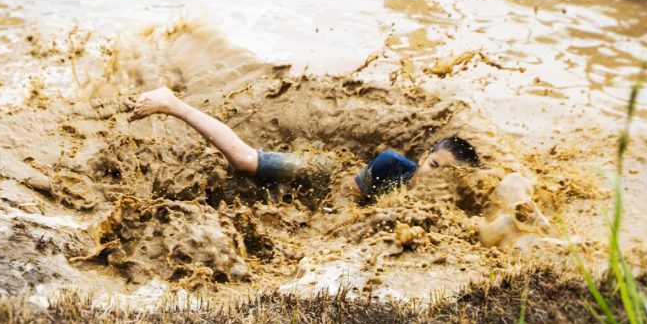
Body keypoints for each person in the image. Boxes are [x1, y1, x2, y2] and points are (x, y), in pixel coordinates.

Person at [129, 87, 480, 202]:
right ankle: (172, 103)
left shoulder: (444, 203)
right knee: (243, 159)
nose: (435, 177)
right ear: (423, 157)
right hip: (325, 175)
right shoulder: (391, 163)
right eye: (434, 166)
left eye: (446, 175)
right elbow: (345, 202)